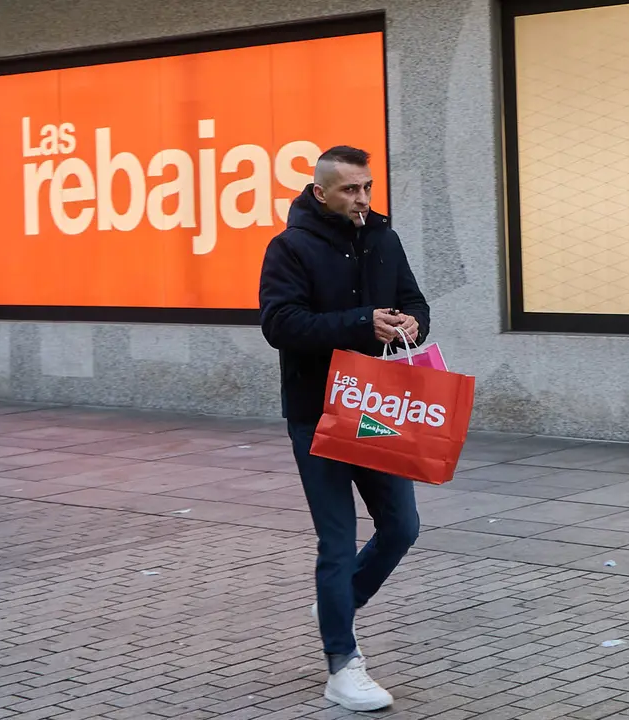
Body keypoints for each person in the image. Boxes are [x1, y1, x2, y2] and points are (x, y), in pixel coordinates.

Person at [258, 146, 429, 712]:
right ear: (320, 192)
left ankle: (337, 603)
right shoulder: (289, 247)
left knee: (402, 526)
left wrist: (409, 321)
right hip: (318, 410)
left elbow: (414, 302)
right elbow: (280, 324)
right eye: (351, 190)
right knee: (337, 540)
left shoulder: (384, 238)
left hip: (377, 406)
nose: (362, 199)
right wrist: (361, 322)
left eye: (368, 188)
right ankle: (343, 665)